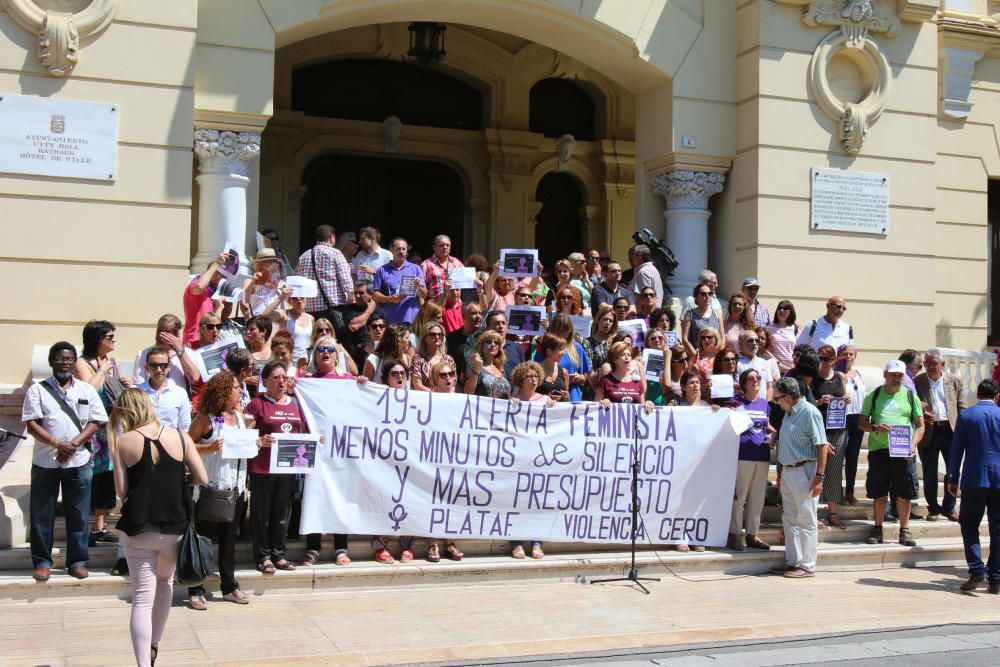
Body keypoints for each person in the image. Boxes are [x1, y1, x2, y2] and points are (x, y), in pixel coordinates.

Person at [110, 389, 207, 667]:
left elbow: (122, 491)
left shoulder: (123, 442)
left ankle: (143, 663)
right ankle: (154, 646)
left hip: (140, 526)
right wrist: (177, 477)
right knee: (165, 583)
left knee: (141, 598)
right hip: (175, 525)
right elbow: (202, 476)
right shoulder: (179, 435)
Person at [23, 342, 107, 582]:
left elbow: (96, 421)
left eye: (69, 359)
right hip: (45, 462)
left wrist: (72, 446)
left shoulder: (85, 390)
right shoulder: (37, 390)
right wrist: (57, 445)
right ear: (51, 361)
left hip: (79, 462)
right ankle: (42, 562)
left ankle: (77, 561)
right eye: (60, 359)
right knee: (42, 516)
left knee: (79, 515)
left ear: (74, 362)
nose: (65, 363)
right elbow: (32, 424)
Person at [185, 371, 252, 609]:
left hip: (236, 488)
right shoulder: (206, 418)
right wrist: (208, 448)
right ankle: (195, 587)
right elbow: (185, 445)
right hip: (209, 487)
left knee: (228, 540)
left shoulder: (239, 415)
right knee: (203, 538)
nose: (240, 391)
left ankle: (229, 585)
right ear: (223, 390)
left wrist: (259, 442)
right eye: (236, 388)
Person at [244, 361, 308, 573]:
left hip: (288, 468)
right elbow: (243, 433)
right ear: (265, 382)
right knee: (261, 514)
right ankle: (263, 556)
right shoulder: (256, 403)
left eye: (284, 377)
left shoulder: (296, 403)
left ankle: (278, 554)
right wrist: (260, 438)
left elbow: (304, 430)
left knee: (282, 514)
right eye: (275, 378)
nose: (281, 381)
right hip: (262, 468)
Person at [74, 320, 128, 549]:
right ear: (97, 339)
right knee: (89, 475)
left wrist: (124, 383)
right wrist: (103, 371)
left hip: (111, 425)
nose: (114, 340)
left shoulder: (113, 362)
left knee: (107, 475)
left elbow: (117, 390)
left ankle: (99, 526)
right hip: (90, 426)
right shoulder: (81, 362)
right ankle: (82, 527)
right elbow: (88, 390)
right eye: (110, 337)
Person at [860, 360, 925, 547]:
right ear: (885, 375)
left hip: (903, 451)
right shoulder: (873, 396)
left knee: (905, 492)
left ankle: (904, 530)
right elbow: (861, 422)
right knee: (878, 491)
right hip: (879, 450)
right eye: (893, 375)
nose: (896, 378)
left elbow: (920, 426)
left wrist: (913, 445)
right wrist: (874, 427)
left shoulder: (911, 396)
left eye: (899, 375)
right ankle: (878, 528)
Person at [770, 376, 829, 579]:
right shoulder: (788, 413)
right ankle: (793, 561)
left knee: (806, 518)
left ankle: (807, 565)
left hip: (805, 469)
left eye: (777, 399)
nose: (776, 403)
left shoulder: (810, 412)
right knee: (790, 518)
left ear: (787, 397)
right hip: (788, 470)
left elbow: (822, 445)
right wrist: (780, 474)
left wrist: (819, 476)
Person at [946, 379, 1000, 594]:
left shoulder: (967, 415)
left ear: (978, 394)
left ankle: (977, 568)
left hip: (975, 478)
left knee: (969, 524)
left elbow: (956, 449)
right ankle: (996, 578)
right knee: (998, 529)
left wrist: (952, 477)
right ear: (997, 396)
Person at [370, 360, 417, 563]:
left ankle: (407, 544)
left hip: (409, 461)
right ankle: (380, 544)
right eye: (395, 373)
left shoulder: (418, 400)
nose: (400, 376)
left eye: (403, 374)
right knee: (383, 500)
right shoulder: (378, 399)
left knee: (409, 501)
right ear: (386, 378)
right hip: (385, 460)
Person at [509, 361, 555, 559]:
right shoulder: (513, 400)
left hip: (540, 459)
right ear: (521, 379)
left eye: (536, 376)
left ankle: (537, 542)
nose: (533, 380)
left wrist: (554, 408)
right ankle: (516, 542)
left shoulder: (546, 400)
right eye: (529, 376)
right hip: (519, 459)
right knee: (518, 501)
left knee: (538, 501)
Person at [914, 347, 966, 521]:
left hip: (950, 430)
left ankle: (949, 507)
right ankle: (933, 508)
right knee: (929, 472)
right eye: (927, 363)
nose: (930, 367)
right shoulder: (918, 381)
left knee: (953, 471)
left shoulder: (954, 381)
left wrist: (962, 431)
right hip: (929, 429)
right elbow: (913, 403)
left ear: (942, 364)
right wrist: (922, 411)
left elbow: (962, 407)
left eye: (934, 363)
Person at [729, 369, 774, 551]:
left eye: (758, 378)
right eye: (751, 378)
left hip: (762, 456)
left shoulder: (764, 404)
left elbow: (767, 426)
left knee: (757, 498)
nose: (755, 380)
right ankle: (735, 534)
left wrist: (775, 434)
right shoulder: (737, 403)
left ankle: (752, 534)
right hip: (743, 455)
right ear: (743, 383)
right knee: (740, 497)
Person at [426, 360, 465, 562]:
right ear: (434, 381)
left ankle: (450, 540)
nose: (448, 378)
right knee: (435, 500)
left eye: (451, 374)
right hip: (433, 457)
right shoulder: (426, 400)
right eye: (443, 375)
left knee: (451, 499)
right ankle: (433, 542)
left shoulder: (465, 401)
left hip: (456, 457)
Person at [811, 344, 850, 529]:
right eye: (820, 358)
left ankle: (833, 512)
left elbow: (845, 396)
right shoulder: (813, 380)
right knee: (816, 471)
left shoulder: (840, 377)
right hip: (818, 430)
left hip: (838, 429)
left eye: (826, 359)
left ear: (834, 360)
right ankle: (814, 512)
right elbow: (807, 405)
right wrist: (818, 402)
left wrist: (847, 399)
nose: (823, 363)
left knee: (834, 471)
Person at [133, 314, 207, 390]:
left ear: (176, 335)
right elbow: (138, 387)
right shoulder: (143, 354)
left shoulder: (188, 353)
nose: (160, 335)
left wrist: (179, 351)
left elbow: (194, 378)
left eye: (166, 332)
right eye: (159, 330)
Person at [296, 225, 354, 318]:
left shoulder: (303, 256)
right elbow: (345, 280)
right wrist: (351, 298)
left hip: (309, 310)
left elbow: (298, 281)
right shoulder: (335, 253)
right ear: (331, 237)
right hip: (332, 308)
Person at [373, 237, 427, 324]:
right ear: (391, 250)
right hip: (390, 321)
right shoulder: (382, 270)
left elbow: (424, 295)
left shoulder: (416, 269)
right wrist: (390, 299)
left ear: (406, 251)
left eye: (403, 249)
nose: (401, 251)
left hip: (411, 320)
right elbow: (375, 295)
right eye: (398, 249)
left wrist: (419, 286)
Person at [542, 314, 591, 403]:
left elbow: (585, 376)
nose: (564, 334)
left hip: (573, 397)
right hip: (549, 397)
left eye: (567, 331)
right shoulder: (546, 348)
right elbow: (538, 373)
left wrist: (578, 377)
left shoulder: (577, 347)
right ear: (554, 330)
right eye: (560, 330)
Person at [183, 250, 229, 345]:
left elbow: (214, 323)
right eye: (222, 274)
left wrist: (219, 308)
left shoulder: (215, 293)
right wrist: (216, 263)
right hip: (194, 342)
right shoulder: (195, 284)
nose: (225, 278)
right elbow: (199, 287)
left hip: (209, 343)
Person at [839, 344, 865, 505]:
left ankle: (850, 490)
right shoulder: (836, 374)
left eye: (851, 354)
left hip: (858, 418)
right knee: (840, 456)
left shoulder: (858, 374)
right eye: (845, 354)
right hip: (843, 418)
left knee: (853, 456)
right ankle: (837, 491)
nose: (848, 357)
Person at [595, 341, 654, 411]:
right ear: (615, 359)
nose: (627, 357)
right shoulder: (605, 381)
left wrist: (648, 404)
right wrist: (602, 402)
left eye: (629, 355)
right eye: (623, 355)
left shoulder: (637, 382)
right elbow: (594, 406)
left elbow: (642, 406)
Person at [335, 280, 383, 351]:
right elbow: (353, 326)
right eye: (355, 293)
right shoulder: (348, 309)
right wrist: (370, 310)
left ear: (371, 294)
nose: (357, 296)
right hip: (355, 352)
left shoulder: (380, 312)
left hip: (374, 352)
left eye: (361, 293)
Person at [241, 248, 287, 320]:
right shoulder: (249, 281)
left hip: (275, 327)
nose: (276, 264)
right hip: (257, 325)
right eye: (272, 261)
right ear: (260, 264)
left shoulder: (278, 284)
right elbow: (244, 304)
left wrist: (277, 285)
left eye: (275, 260)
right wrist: (254, 281)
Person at [465, 331, 511, 398]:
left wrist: (513, 399)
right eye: (489, 342)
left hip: (499, 408)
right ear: (482, 345)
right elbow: (468, 392)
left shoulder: (500, 369)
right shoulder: (473, 364)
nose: (493, 345)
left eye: (496, 343)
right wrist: (476, 370)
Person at [681, 282, 722, 358]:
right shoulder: (690, 314)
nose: (707, 296)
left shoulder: (716, 313)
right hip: (697, 358)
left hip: (714, 359)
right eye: (703, 294)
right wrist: (697, 358)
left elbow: (722, 338)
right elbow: (685, 339)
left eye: (709, 293)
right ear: (696, 297)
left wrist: (718, 357)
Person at [410, 321, 455, 391]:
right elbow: (417, 385)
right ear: (425, 338)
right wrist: (434, 396)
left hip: (445, 399)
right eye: (433, 334)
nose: (437, 337)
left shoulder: (449, 359)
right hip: (425, 399)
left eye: (440, 334)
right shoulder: (418, 359)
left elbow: (453, 385)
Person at [421, 234, 464, 301]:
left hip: (454, 307)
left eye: (447, 245)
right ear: (434, 247)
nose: (445, 247)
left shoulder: (457, 262)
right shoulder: (426, 265)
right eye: (442, 245)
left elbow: (466, 280)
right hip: (435, 307)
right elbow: (421, 290)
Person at [447, 301, 483, 374]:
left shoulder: (485, 338)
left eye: (480, 313)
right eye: (474, 313)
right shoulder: (451, 338)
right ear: (464, 316)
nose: (478, 316)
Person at [736, 329, 773, 401]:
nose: (754, 343)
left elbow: (769, 387)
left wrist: (766, 404)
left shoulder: (763, 362)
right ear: (740, 344)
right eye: (750, 341)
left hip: (762, 407)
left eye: (757, 341)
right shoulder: (736, 363)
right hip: (744, 407)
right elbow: (736, 388)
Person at [767, 300, 799, 374]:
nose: (781, 310)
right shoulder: (768, 329)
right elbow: (765, 349)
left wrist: (794, 364)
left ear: (790, 312)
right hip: (774, 369)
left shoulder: (795, 329)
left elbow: (799, 350)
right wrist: (778, 364)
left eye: (785, 309)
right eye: (780, 308)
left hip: (791, 369)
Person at [641, 328, 672, 406]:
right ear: (648, 342)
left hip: (663, 406)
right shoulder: (641, 359)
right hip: (646, 405)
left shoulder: (670, 358)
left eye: (660, 338)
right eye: (653, 338)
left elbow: (667, 384)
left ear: (664, 340)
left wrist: (667, 358)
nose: (657, 340)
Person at [535, 334, 570, 402]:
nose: (563, 353)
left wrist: (567, 397)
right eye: (560, 349)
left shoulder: (564, 372)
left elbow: (566, 401)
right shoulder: (535, 371)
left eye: (563, 349)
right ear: (549, 352)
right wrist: (545, 398)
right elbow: (528, 396)